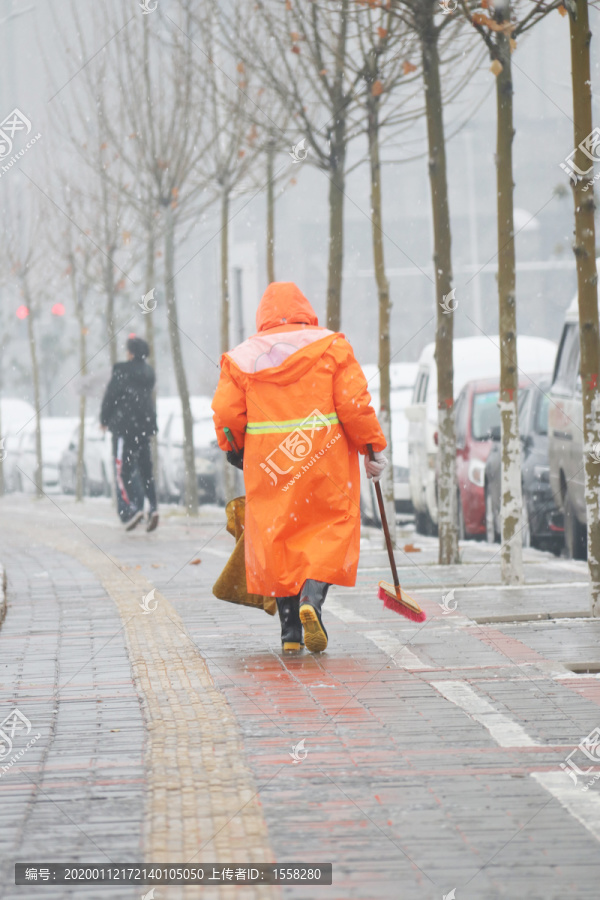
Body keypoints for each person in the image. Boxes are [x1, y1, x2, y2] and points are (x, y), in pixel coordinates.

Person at [212, 282, 387, 653]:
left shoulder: (241, 358)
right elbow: (354, 404)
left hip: (271, 464)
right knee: (330, 527)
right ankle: (312, 598)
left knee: (278, 537)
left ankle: (290, 633)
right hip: (325, 460)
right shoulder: (332, 347)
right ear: (307, 311)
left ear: (263, 317)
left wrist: (233, 445)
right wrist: (371, 446)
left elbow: (228, 413)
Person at [100, 335, 159, 532]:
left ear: (131, 352)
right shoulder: (149, 373)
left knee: (122, 471)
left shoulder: (122, 371)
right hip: (144, 427)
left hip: (125, 428)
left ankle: (132, 509)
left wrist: (104, 419)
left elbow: (111, 396)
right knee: (145, 470)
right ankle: (153, 507)